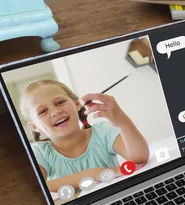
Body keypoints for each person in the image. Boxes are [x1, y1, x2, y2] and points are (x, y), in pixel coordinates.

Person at [19, 80, 149, 192]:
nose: (55, 112)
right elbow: (37, 188)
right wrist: (93, 174)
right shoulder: (39, 152)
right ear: (34, 126)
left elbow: (139, 159)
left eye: (59, 102)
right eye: (42, 111)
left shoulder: (103, 131)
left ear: (77, 104)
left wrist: (122, 121)